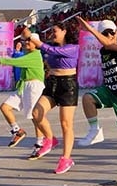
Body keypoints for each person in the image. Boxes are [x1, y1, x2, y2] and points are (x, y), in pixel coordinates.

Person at [75, 17, 117, 186]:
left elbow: (110, 44)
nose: (110, 35)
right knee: (87, 98)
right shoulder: (103, 51)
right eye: (106, 32)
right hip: (110, 89)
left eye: (112, 32)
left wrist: (90, 30)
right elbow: (105, 47)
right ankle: (95, 130)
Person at [23, 22, 79, 173]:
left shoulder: (73, 47)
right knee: (36, 113)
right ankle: (50, 139)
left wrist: (34, 40)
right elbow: (44, 50)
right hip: (52, 83)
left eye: (55, 31)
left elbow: (52, 51)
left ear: (64, 31)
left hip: (68, 86)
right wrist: (28, 39)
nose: (53, 34)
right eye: (51, 31)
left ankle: (66, 158)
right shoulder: (49, 46)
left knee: (66, 124)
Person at [0, 36, 45, 148]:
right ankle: (17, 131)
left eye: (29, 41)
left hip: (34, 87)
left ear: (36, 43)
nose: (26, 43)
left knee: (35, 117)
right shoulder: (26, 54)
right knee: (5, 107)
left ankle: (40, 143)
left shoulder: (35, 55)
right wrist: (17, 50)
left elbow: (16, 62)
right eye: (25, 41)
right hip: (23, 86)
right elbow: (18, 58)